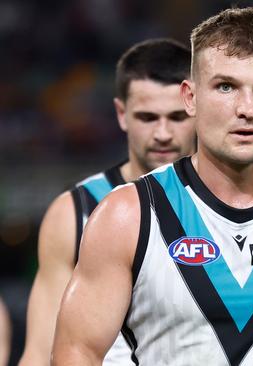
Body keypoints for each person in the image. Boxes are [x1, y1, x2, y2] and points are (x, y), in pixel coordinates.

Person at [51, 8, 253, 365]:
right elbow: (76, 352)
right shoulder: (125, 217)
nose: (248, 108)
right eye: (226, 86)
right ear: (190, 97)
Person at [20, 38, 196, 366]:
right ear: (121, 114)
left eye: (176, 117)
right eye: (147, 117)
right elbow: (40, 351)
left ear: (198, 109)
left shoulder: (236, 205)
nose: (162, 133)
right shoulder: (74, 212)